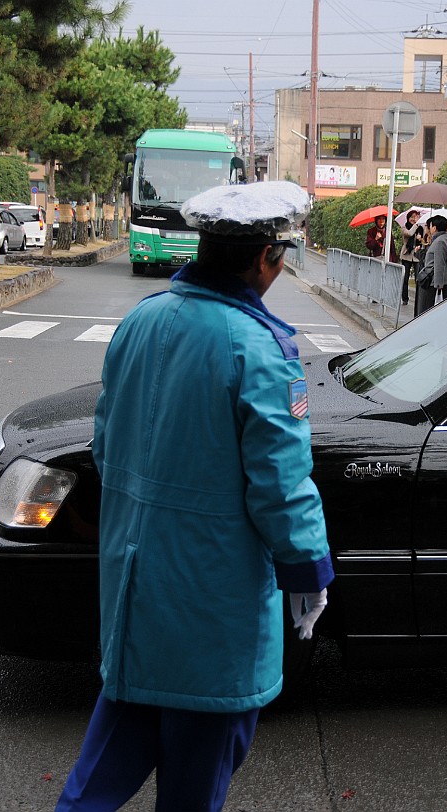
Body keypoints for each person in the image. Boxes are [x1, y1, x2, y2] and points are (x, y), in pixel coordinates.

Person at [55, 181, 334, 812]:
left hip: (135, 596)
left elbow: (105, 444)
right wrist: (309, 572)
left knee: (92, 788)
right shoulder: (259, 349)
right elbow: (282, 486)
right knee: (194, 791)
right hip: (213, 612)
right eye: (280, 255)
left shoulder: (140, 320)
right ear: (266, 256)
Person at [414, 214, 447, 316]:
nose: (429, 228)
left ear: (435, 228)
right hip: (433, 281)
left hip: (432, 283)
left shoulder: (440, 241)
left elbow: (439, 264)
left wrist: (438, 286)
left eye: (430, 226)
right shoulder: (440, 239)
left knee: (427, 311)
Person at [399, 209, 422, 306]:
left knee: (419, 277)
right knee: (405, 278)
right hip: (406, 255)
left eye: (415, 217)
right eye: (412, 217)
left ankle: (419, 298)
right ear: (408, 218)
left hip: (417, 256)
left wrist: (420, 239)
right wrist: (416, 225)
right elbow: (409, 233)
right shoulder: (404, 228)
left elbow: (425, 238)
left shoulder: (421, 228)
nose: (413, 219)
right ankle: (404, 299)